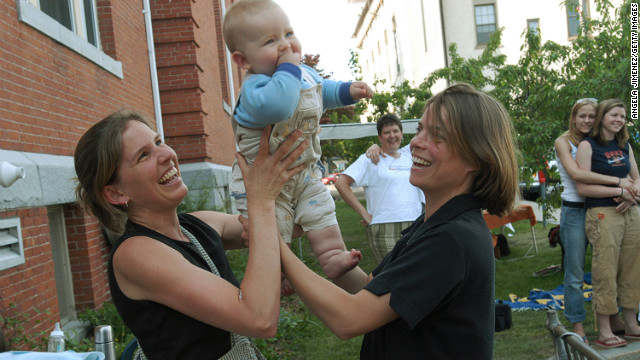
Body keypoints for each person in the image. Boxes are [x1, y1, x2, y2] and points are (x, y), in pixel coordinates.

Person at [279, 83, 519, 358]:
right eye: (420, 129)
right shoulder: (434, 223)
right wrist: (337, 263)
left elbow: (348, 319)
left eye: (437, 136)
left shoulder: (451, 239)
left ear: (476, 157)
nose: (415, 142)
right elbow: (371, 290)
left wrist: (277, 246)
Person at [74, 109, 308, 359]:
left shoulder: (198, 225)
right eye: (143, 156)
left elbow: (293, 224)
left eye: (158, 142)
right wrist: (261, 201)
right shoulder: (135, 254)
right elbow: (259, 319)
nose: (166, 155)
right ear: (116, 194)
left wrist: (298, 156)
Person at [223, 0, 372, 292]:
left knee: (322, 212)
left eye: (288, 34)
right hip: (263, 185)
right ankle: (277, 274)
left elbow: (321, 90)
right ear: (243, 61)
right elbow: (280, 104)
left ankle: (331, 256)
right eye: (270, 41)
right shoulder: (255, 90)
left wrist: (347, 91)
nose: (285, 46)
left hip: (303, 175)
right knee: (272, 232)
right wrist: (289, 68)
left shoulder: (302, 74)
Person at [554, 98, 637, 343]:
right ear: (573, 117)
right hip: (576, 210)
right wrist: (620, 185)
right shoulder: (565, 142)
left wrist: (629, 195)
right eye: (583, 116)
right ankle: (578, 323)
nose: (587, 121)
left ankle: (613, 319)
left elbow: (631, 173)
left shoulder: (606, 142)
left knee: (608, 266)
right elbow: (578, 175)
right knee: (576, 270)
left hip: (606, 207)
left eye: (592, 116)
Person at [335, 113, 424, 263]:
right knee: (391, 274)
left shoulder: (409, 154)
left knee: (415, 271)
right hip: (383, 227)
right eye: (386, 132)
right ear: (379, 137)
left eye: (396, 131)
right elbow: (341, 183)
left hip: (415, 224)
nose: (392, 136)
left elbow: (424, 133)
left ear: (402, 133)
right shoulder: (370, 159)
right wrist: (364, 213)